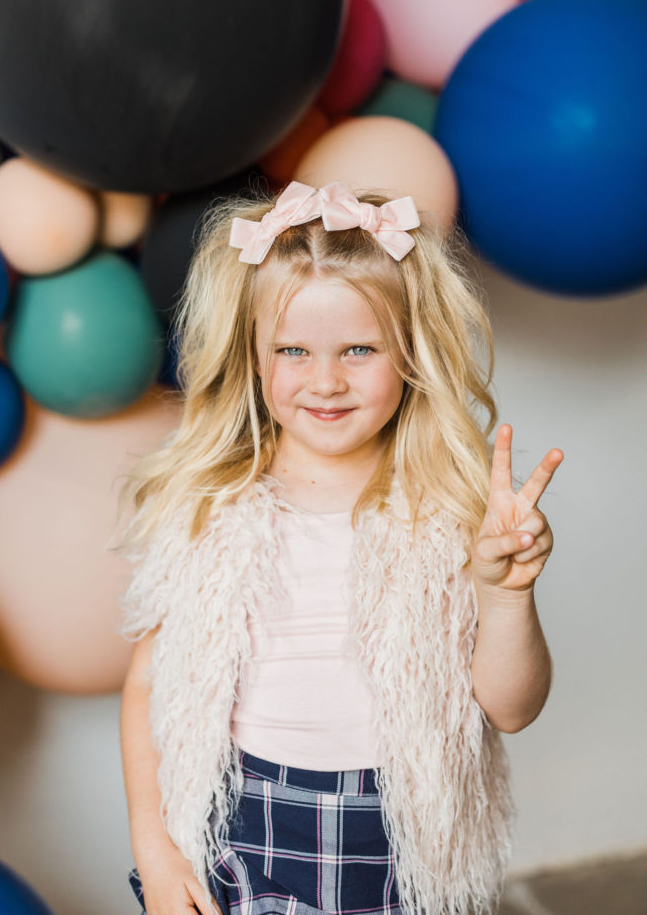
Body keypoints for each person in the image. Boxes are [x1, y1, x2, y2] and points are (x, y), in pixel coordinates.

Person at [114, 180, 564, 915]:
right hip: (240, 824)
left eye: (359, 349)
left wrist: (506, 594)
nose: (325, 381)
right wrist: (154, 848)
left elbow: (511, 710)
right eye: (293, 350)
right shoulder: (209, 506)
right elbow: (146, 688)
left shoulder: (454, 513)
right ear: (254, 357)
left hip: (402, 841)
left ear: (411, 352)